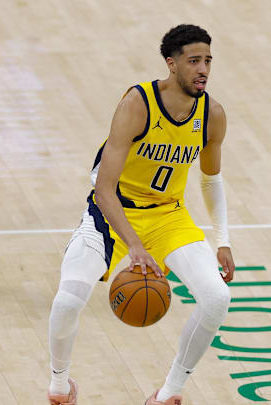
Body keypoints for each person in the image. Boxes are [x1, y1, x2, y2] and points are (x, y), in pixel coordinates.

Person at [47, 24, 235, 405]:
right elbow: (104, 188)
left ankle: (169, 394)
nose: (203, 69)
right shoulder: (138, 103)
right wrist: (134, 245)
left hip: (169, 216)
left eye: (208, 61)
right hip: (114, 213)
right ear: (171, 63)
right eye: (194, 60)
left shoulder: (212, 114)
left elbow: (211, 180)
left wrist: (223, 239)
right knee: (68, 299)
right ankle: (59, 385)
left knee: (216, 298)